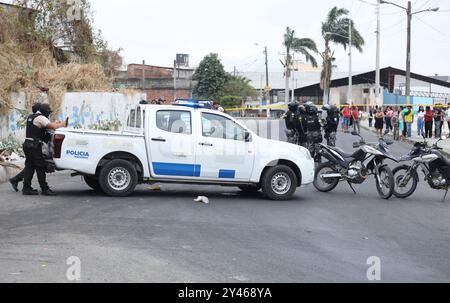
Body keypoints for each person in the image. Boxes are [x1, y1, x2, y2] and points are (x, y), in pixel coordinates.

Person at [22, 103, 67, 196]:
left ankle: (26, 188)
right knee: (40, 167)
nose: (49, 113)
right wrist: (63, 124)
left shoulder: (32, 116)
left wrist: (56, 123)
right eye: (48, 112)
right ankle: (44, 188)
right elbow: (53, 126)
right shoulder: (41, 118)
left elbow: (48, 125)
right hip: (34, 146)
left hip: (28, 145)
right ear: (44, 111)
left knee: (29, 167)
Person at [9, 103, 43, 192]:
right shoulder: (38, 118)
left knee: (30, 166)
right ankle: (42, 187)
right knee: (35, 165)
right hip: (32, 145)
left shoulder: (30, 117)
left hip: (27, 144)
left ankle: (19, 182)